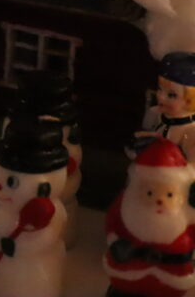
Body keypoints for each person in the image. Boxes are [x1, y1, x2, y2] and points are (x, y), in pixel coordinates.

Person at [105, 138, 195, 297]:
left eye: (169, 195)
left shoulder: (187, 213)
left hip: (172, 270)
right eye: (150, 193)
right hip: (130, 266)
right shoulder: (126, 205)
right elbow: (112, 222)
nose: (160, 200)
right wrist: (116, 241)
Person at [142, 52, 195, 161]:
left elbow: (192, 166)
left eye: (171, 95)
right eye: (159, 89)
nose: (160, 97)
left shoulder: (191, 132)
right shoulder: (156, 114)